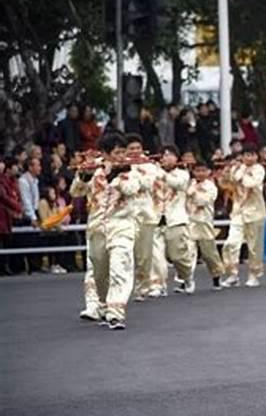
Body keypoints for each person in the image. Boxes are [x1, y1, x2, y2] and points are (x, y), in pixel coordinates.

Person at [72, 132, 141, 329]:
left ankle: (116, 312)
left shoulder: (130, 170)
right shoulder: (93, 169)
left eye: (123, 152)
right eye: (117, 152)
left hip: (122, 226)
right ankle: (103, 304)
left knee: (120, 267)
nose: (121, 156)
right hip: (96, 228)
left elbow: (133, 189)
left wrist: (115, 175)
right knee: (100, 272)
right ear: (105, 153)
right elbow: (76, 192)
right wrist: (83, 174)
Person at [220, 146, 266, 287]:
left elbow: (251, 183)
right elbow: (225, 184)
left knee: (254, 247)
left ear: (256, 157)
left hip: (255, 212)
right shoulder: (236, 169)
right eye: (246, 155)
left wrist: (241, 173)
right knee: (231, 243)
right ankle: (232, 274)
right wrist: (227, 171)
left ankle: (253, 274)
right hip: (238, 211)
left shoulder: (259, 169)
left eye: (252, 155)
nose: (249, 158)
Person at [126, 134, 163, 301]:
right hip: (126, 215)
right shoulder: (121, 165)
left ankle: (143, 288)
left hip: (146, 214)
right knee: (126, 254)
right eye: (131, 149)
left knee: (144, 255)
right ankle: (123, 288)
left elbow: (148, 184)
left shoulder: (150, 166)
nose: (134, 152)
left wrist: (136, 174)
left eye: (137, 148)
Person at [159, 145, 196, 294]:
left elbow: (178, 184)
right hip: (155, 218)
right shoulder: (152, 173)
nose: (165, 158)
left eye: (169, 155)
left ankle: (187, 277)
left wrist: (160, 173)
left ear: (176, 158)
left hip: (176, 218)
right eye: (163, 155)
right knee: (156, 257)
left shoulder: (182, 174)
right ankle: (157, 285)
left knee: (176, 255)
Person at [186, 160, 224, 290]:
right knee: (188, 252)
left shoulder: (211, 186)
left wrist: (194, 192)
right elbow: (186, 196)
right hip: (190, 221)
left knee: (209, 253)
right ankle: (186, 280)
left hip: (205, 222)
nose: (200, 173)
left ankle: (216, 277)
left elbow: (203, 201)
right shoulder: (190, 184)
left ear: (208, 172)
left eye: (203, 170)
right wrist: (194, 190)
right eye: (197, 171)